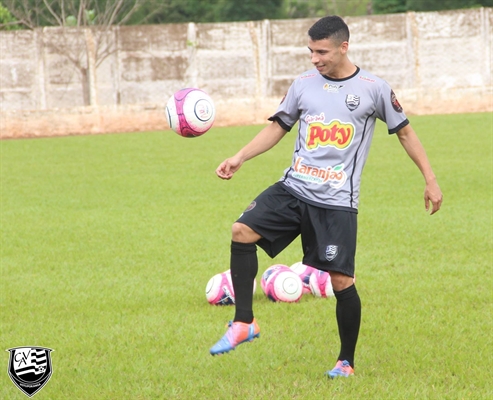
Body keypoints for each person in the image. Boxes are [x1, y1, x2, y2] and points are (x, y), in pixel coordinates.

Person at [209, 15, 443, 378]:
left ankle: (345, 362)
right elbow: (278, 127)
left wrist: (430, 179)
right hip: (294, 189)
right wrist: (239, 156)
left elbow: (406, 134)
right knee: (241, 231)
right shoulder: (303, 84)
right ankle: (244, 322)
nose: (314, 58)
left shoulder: (373, 88)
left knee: (340, 282)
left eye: (322, 51)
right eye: (311, 51)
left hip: (336, 203)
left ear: (343, 47)